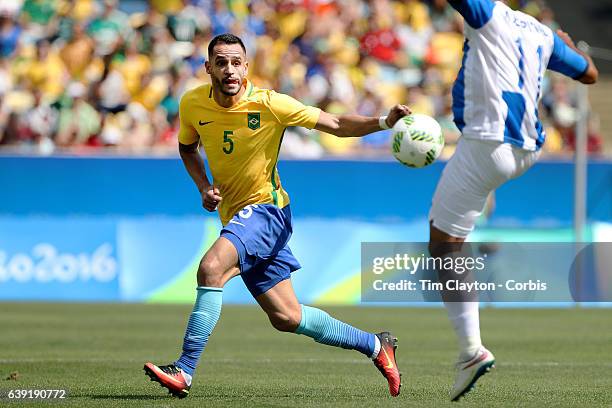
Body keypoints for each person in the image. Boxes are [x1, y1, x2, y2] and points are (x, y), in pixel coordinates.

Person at [144, 33, 411, 399]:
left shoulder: (270, 104)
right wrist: (203, 187)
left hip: (267, 212)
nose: (229, 69)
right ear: (208, 68)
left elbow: (334, 124)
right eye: (221, 62)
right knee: (287, 317)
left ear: (247, 66)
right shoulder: (192, 104)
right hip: (236, 217)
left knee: (210, 268)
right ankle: (376, 345)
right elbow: (187, 148)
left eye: (236, 62)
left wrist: (383, 121)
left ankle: (184, 370)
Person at [427, 0, 598, 401]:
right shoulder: (541, 31)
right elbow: (590, 73)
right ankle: (471, 345)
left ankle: (471, 350)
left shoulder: (487, 11)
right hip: (527, 149)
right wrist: (563, 45)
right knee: (454, 235)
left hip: (488, 142)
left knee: (443, 244)